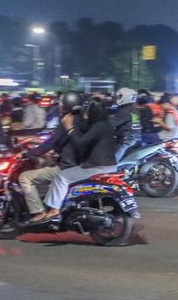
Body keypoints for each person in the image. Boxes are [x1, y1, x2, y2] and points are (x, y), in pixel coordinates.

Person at [39, 97, 118, 220]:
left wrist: (70, 127)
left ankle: (54, 210)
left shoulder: (98, 126)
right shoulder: (107, 124)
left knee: (61, 177)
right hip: (110, 165)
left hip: (97, 167)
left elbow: (80, 143)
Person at [19, 91, 83, 222]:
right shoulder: (84, 120)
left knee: (25, 177)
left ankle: (39, 211)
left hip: (67, 167)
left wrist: (29, 153)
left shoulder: (66, 120)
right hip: (82, 166)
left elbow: (50, 143)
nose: (59, 106)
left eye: (61, 104)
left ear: (66, 105)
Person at [112, 87, 142, 161]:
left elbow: (112, 123)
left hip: (126, 139)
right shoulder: (134, 110)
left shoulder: (124, 111)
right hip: (136, 138)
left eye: (119, 96)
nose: (116, 98)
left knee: (113, 160)